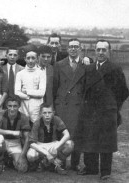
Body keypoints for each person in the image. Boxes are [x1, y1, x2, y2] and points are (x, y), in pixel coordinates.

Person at [75, 40, 129, 180]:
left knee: (106, 141)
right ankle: (91, 168)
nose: (100, 52)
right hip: (90, 110)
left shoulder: (115, 68)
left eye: (103, 50)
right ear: (94, 51)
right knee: (90, 138)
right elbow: (83, 88)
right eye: (98, 50)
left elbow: (123, 91)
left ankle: (105, 171)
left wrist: (113, 105)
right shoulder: (89, 68)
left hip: (107, 110)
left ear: (108, 51)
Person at [52, 38, 86, 170]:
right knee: (61, 134)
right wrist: (55, 105)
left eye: (76, 46)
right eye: (71, 46)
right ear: (67, 49)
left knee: (76, 134)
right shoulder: (59, 65)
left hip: (77, 106)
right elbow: (55, 87)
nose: (73, 49)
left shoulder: (86, 64)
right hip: (62, 106)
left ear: (80, 49)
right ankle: (59, 162)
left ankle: (75, 163)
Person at [0, 95, 32, 176]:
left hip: (15, 143)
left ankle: (7, 160)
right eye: (10, 106)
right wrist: (12, 132)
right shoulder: (1, 113)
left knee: (22, 169)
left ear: (19, 106)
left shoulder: (23, 117)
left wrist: (22, 156)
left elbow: (27, 138)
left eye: (15, 106)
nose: (12, 109)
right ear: (6, 106)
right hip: (3, 140)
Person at [27, 104, 73, 175]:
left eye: (49, 112)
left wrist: (57, 147)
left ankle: (56, 163)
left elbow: (67, 135)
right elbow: (32, 143)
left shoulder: (56, 119)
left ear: (53, 113)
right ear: (40, 114)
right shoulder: (37, 123)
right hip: (40, 145)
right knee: (31, 155)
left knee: (70, 144)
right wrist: (47, 153)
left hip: (53, 144)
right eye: (44, 113)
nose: (47, 115)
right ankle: (42, 162)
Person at [15, 49, 46, 123]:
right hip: (23, 104)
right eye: (28, 58)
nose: (31, 61)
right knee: (23, 125)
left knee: (35, 125)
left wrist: (26, 91)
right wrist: (27, 97)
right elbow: (17, 92)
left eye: (33, 58)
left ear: (37, 59)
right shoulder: (20, 74)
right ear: (25, 59)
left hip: (37, 105)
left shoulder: (41, 73)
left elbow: (41, 93)